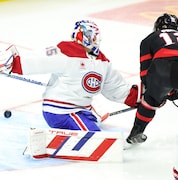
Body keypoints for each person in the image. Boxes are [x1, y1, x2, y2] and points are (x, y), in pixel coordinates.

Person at [0, 20, 138, 131]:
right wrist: (13, 62)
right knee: (93, 133)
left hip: (83, 110)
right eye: (92, 36)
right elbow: (39, 59)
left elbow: (115, 86)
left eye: (96, 37)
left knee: (93, 123)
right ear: (84, 36)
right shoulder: (65, 51)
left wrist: (137, 97)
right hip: (60, 112)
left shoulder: (102, 62)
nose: (96, 40)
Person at [125, 13, 178, 178]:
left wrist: (159, 93)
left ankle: (136, 131)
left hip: (162, 67)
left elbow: (145, 75)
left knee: (150, 101)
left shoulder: (149, 38)